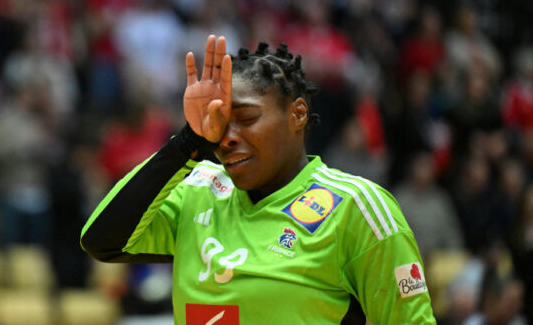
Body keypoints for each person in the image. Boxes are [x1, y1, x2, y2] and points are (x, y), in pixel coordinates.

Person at [81, 35, 436, 323]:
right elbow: (102, 241)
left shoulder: (356, 206)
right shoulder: (198, 188)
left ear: (297, 114)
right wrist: (187, 141)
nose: (227, 136)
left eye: (246, 118)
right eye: (219, 124)